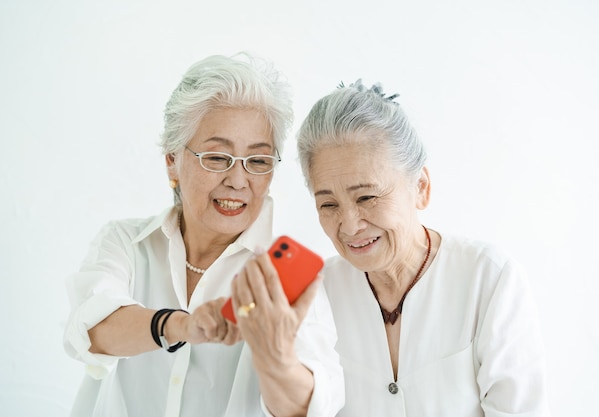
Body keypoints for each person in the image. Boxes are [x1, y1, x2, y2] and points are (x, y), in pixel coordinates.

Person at [63, 52, 344, 417]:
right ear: (172, 162)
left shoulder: (282, 278)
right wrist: (183, 325)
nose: (238, 180)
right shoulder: (127, 243)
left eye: (257, 161)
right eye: (216, 157)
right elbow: (91, 331)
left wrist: (276, 358)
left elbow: (313, 405)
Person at [295, 80, 550, 416]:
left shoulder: (489, 278)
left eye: (367, 197)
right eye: (328, 205)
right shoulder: (315, 292)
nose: (350, 225)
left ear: (421, 188)